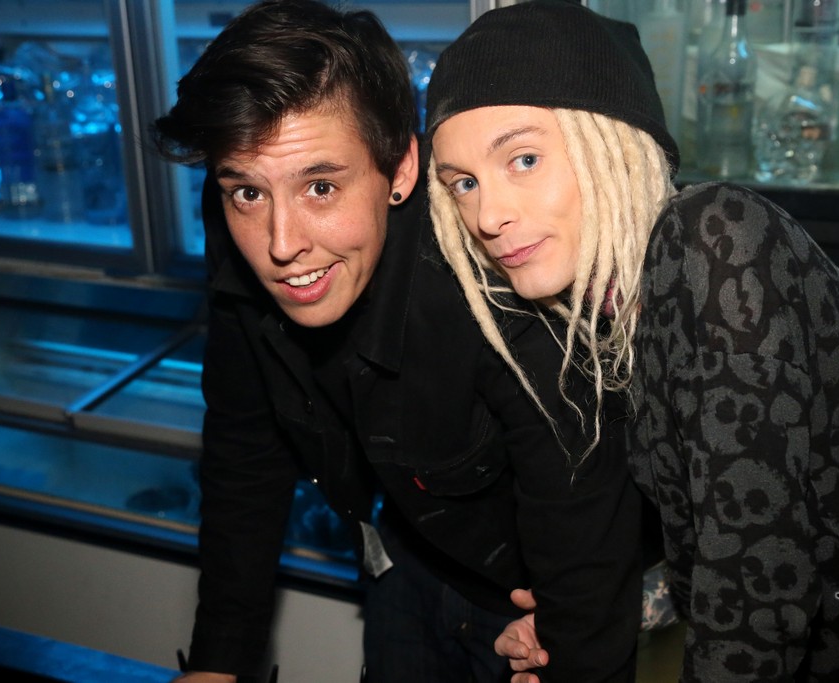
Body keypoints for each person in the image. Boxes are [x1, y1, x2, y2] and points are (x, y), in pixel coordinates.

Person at [424, 1, 839, 681]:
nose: (488, 214)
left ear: (614, 145)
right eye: (464, 183)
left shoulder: (714, 239)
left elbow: (756, 597)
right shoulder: (614, 302)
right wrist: (592, 616)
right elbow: (733, 538)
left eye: (524, 158)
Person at [153, 1, 647, 682]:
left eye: (320, 186)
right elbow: (245, 452)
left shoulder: (499, 283)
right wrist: (219, 661)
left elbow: (587, 529)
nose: (281, 243)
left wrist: (573, 635)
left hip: (538, 604)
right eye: (247, 193)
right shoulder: (240, 227)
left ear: (402, 170)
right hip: (407, 560)